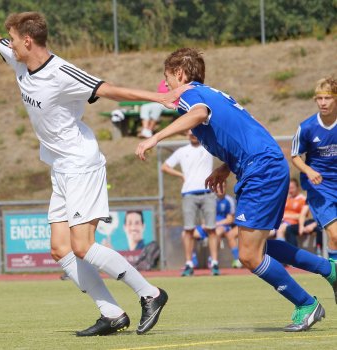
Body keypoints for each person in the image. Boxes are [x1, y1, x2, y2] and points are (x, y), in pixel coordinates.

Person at [0, 7, 188, 337]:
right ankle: (111, 312)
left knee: (83, 246)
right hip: (60, 168)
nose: (10, 45)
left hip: (81, 164)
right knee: (60, 249)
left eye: (16, 40)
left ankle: (150, 294)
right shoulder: (18, 59)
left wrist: (158, 97)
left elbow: (108, 89)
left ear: (29, 41)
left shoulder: (62, 72)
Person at [136, 48, 336, 332]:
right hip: (263, 165)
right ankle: (330, 270)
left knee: (249, 255)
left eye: (167, 79)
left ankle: (306, 304)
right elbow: (241, 131)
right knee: (258, 248)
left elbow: (199, 114)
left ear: (179, 74)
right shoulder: (212, 93)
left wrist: (155, 136)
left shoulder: (191, 95)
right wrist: (225, 167)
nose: (166, 88)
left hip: (261, 169)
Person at [291, 77, 337, 263]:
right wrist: (309, 171)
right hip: (320, 188)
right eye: (319, 98)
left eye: (327, 98)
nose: (323, 103)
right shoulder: (307, 127)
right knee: (335, 235)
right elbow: (295, 156)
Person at [162, 130, 219, 276]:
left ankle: (214, 262)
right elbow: (165, 166)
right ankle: (188, 263)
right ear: (187, 134)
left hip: (208, 192)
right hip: (189, 193)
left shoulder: (208, 147)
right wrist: (181, 175)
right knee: (188, 229)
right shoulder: (182, 151)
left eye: (196, 131)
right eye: (191, 131)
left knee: (212, 228)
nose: (193, 134)